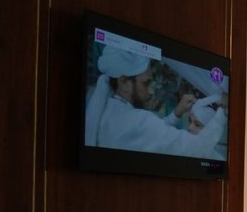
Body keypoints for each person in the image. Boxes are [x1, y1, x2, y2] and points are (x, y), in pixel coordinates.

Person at [84, 44, 227, 158]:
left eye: (197, 123)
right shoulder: (135, 121)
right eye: (146, 83)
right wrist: (223, 110)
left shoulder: (112, 111)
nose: (151, 91)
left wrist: (176, 113)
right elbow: (197, 149)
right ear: (124, 82)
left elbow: (150, 134)